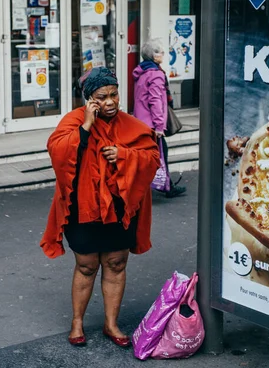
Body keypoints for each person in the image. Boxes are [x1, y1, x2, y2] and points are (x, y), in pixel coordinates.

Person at [40, 67, 160, 348]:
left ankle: (111, 324)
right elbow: (58, 153)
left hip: (120, 210)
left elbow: (152, 158)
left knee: (116, 264)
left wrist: (124, 155)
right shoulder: (74, 121)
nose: (110, 102)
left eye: (114, 95)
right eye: (101, 97)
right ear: (89, 99)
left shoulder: (130, 124)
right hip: (82, 209)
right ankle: (77, 322)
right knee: (86, 265)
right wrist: (86, 126)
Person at [132, 38, 187, 198]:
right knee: (156, 156)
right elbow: (155, 101)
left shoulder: (141, 72)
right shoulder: (155, 74)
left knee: (151, 155)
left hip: (141, 121)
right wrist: (159, 126)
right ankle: (159, 187)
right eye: (160, 52)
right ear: (154, 55)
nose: (163, 54)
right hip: (151, 125)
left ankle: (166, 185)